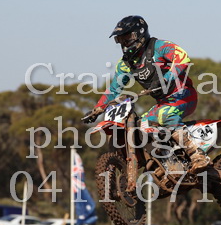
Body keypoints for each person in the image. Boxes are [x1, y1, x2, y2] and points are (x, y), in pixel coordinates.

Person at [82, 16, 208, 173]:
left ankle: (197, 155)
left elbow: (182, 59)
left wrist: (166, 79)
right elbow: (114, 89)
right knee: (141, 127)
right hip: (163, 102)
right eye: (120, 39)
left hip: (183, 95)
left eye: (127, 37)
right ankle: (163, 163)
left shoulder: (160, 47)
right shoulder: (126, 64)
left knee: (165, 114)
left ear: (140, 34)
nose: (124, 43)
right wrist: (97, 109)